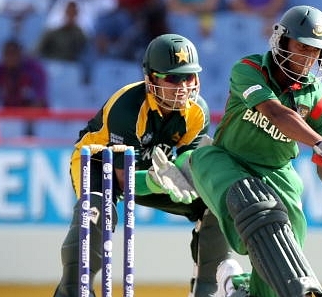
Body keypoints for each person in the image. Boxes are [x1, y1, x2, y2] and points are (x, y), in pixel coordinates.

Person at [189, 5, 322, 297]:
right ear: (281, 40)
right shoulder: (249, 68)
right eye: (302, 46)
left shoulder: (321, 100)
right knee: (253, 201)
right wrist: (320, 143)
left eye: (316, 51)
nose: (308, 58)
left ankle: (238, 288)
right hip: (224, 160)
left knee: (284, 253)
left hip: (277, 174)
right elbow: (274, 112)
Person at [52, 34, 232, 297]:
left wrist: (186, 172)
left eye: (189, 77)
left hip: (153, 170)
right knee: (96, 213)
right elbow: (122, 179)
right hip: (99, 162)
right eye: (172, 78)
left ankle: (206, 290)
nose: (182, 87)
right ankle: (72, 290)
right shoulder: (127, 106)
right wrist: (155, 179)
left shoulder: (197, 112)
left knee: (214, 204)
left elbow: (189, 163)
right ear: (150, 78)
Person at [0, 39, 48, 136]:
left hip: (29, 119)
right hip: (4, 117)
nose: (11, 57)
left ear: (21, 54)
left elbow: (40, 100)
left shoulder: (35, 70)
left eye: (14, 53)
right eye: (7, 54)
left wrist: (22, 119)